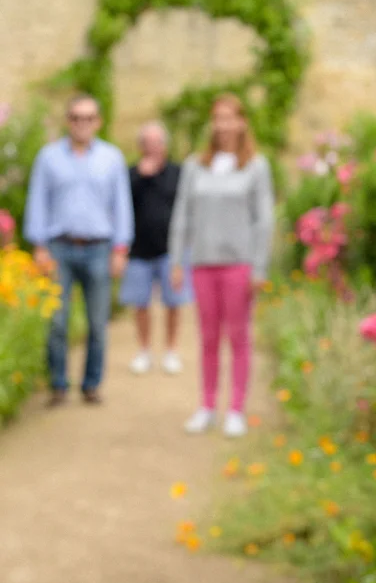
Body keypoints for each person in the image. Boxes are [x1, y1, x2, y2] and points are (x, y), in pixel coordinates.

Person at [168, 93, 274, 437]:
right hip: (203, 263)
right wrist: (175, 260)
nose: (223, 124)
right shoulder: (195, 166)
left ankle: (236, 410)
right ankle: (207, 406)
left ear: (242, 122)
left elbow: (265, 220)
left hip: (238, 265)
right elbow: (182, 214)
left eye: (230, 117)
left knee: (238, 336)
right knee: (207, 338)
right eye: (217, 118)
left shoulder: (256, 166)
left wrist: (259, 268)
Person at [24, 94, 133, 405]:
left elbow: (121, 206)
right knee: (56, 321)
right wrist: (39, 245)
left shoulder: (111, 158)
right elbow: (38, 201)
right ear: (67, 121)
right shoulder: (49, 158)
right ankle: (58, 384)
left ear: (97, 122)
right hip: (59, 247)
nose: (81, 124)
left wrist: (121, 248)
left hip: (99, 247)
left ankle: (91, 384)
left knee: (98, 323)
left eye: (88, 118)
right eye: (75, 117)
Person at [119, 121, 191, 376]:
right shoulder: (130, 174)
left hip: (171, 251)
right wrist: (141, 175)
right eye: (146, 143)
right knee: (140, 303)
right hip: (139, 250)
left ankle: (171, 350)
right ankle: (144, 350)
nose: (152, 148)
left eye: (157, 142)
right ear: (140, 147)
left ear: (165, 145)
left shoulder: (177, 173)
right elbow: (121, 205)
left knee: (173, 302)